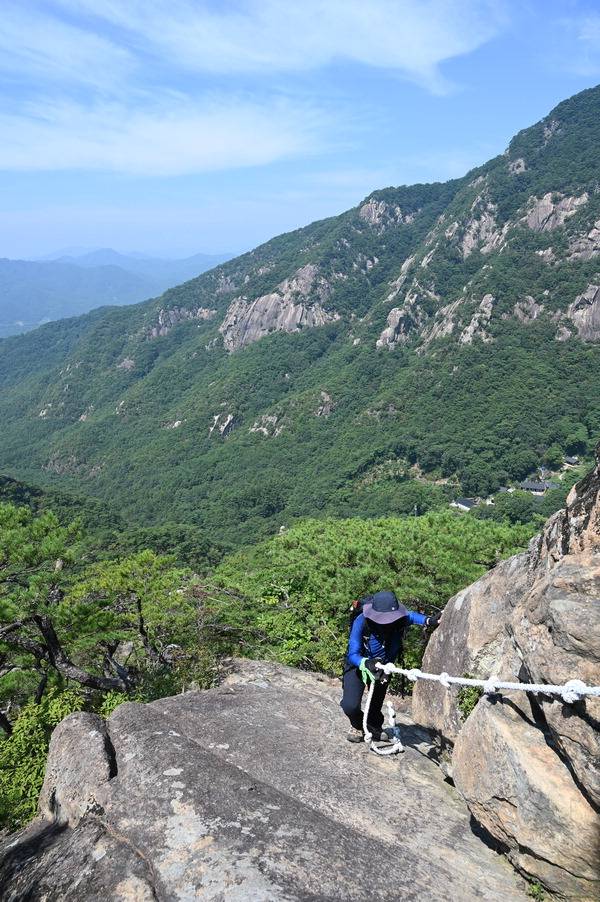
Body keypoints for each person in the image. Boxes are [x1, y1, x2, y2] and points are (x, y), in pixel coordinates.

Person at [340, 590, 440, 742]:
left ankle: (374, 727)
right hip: (358, 665)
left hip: (384, 667)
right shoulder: (362, 621)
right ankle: (358, 725)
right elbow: (352, 653)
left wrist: (428, 621)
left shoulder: (400, 619)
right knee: (350, 706)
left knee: (375, 705)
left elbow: (412, 616)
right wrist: (366, 663)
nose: (387, 622)